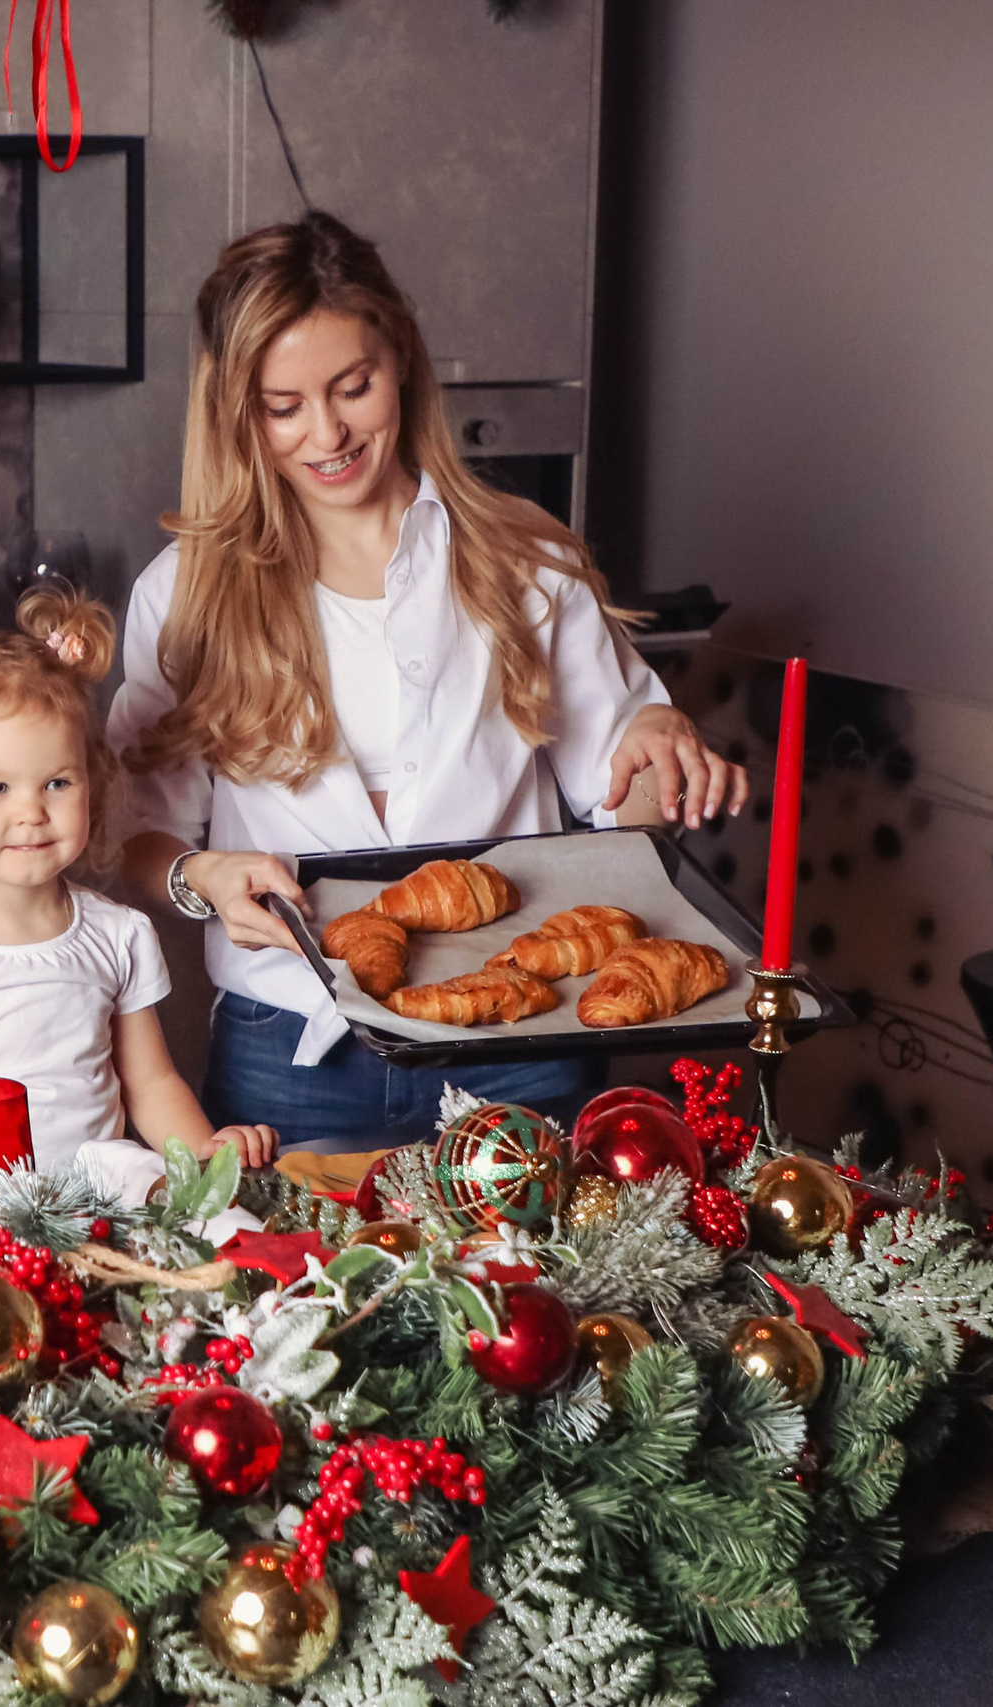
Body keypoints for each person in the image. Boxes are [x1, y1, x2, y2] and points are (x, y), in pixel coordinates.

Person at [107, 213, 750, 1148]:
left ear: (401, 359)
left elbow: (625, 797)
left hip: (523, 1034)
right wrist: (198, 874)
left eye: (353, 387)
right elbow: (133, 832)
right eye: (283, 405)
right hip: (290, 1045)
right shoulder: (185, 594)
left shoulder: (523, 557)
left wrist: (660, 749)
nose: (327, 432)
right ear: (236, 413)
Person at [0, 588, 277, 1228]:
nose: (31, 811)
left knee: (231, 1238)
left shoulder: (118, 933)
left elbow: (152, 1085)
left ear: (90, 780)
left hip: (105, 1214)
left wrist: (202, 1153)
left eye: (57, 782)